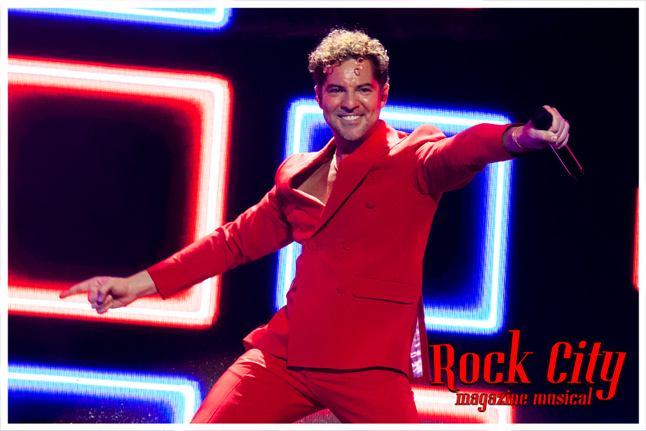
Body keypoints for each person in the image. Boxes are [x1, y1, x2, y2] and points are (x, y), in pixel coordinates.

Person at [60, 28, 570, 423]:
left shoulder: (414, 155)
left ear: (383, 93)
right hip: (285, 356)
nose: (350, 102)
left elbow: (462, 151)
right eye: (337, 90)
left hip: (369, 367)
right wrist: (136, 284)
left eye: (363, 89)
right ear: (320, 95)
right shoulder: (297, 174)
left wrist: (520, 137)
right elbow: (232, 242)